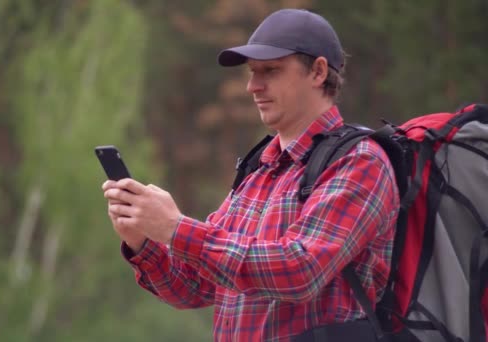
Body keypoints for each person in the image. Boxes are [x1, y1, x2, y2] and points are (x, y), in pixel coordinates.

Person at [102, 8, 399, 342]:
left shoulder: (360, 162)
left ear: (317, 72)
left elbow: (300, 270)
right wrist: (142, 239)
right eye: (252, 72)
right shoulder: (259, 171)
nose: (252, 86)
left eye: (270, 71)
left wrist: (176, 228)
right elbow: (195, 288)